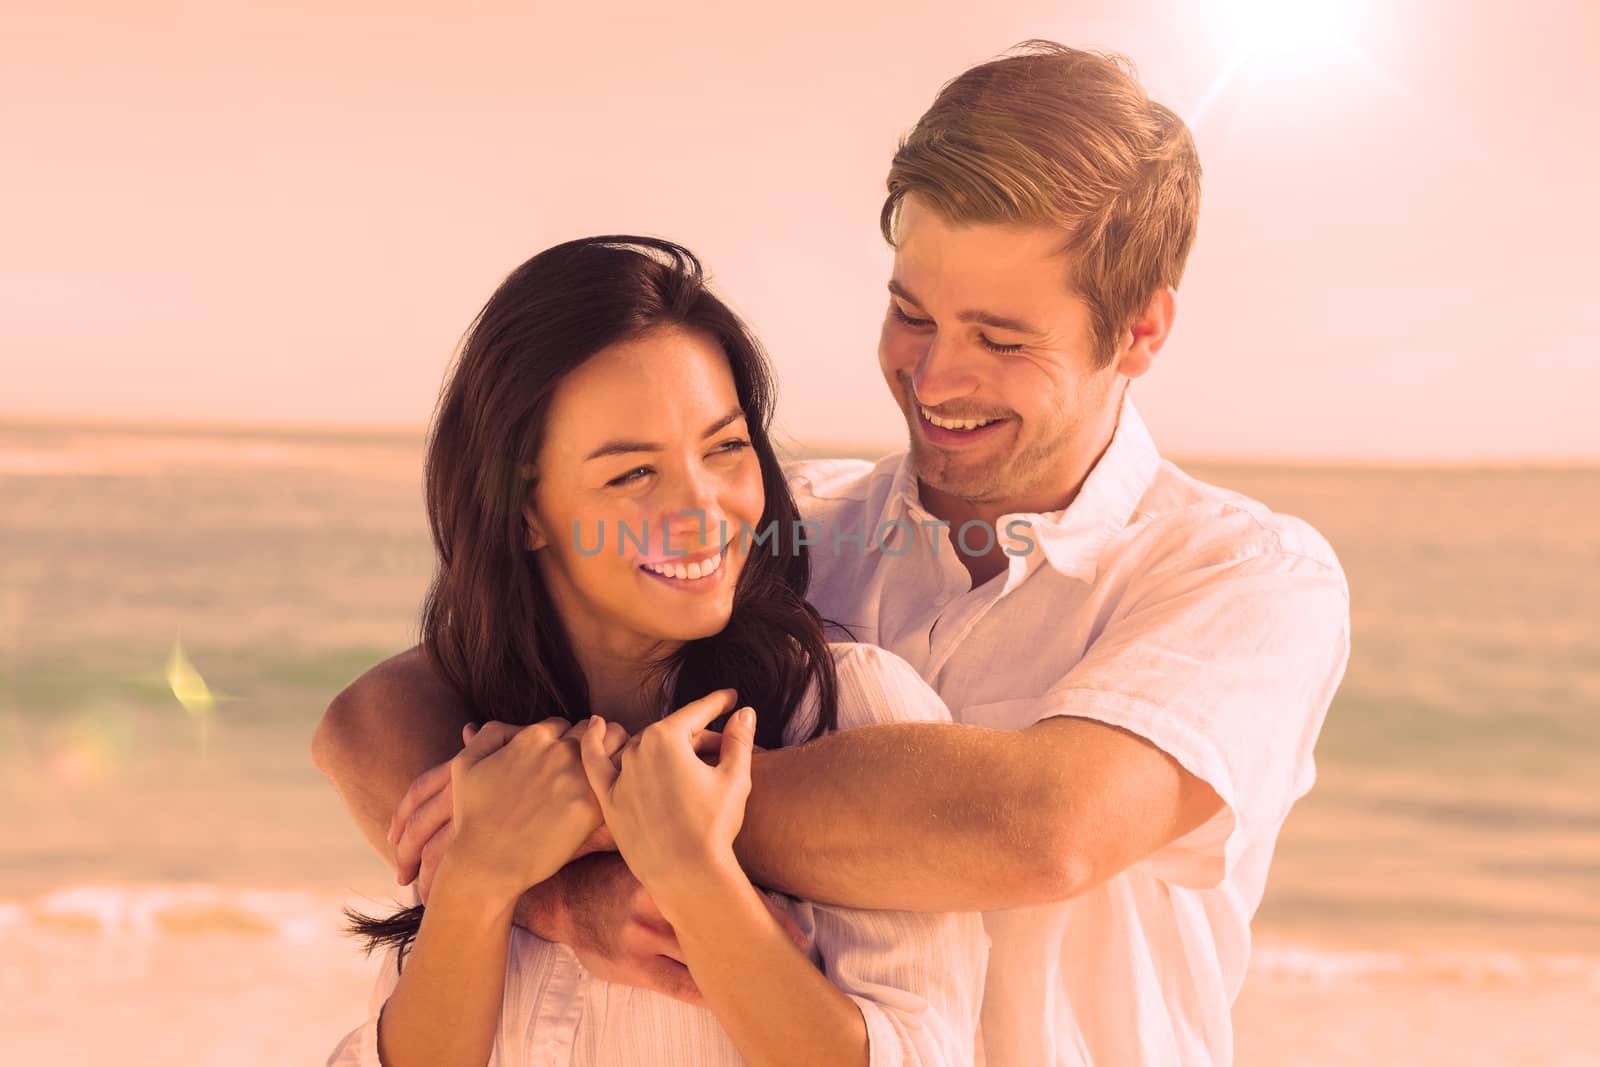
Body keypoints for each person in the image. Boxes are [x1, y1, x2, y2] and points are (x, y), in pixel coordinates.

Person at [315, 41, 1350, 1066]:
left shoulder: (1244, 579)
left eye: (999, 339)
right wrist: (540, 886)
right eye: (911, 312)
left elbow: (1040, 829)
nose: (936, 377)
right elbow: (379, 713)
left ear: (1138, 332)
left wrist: (600, 810)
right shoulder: (774, 528)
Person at [323, 236, 987, 1066]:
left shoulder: (849, 711)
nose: (703, 508)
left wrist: (695, 874)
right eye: (634, 473)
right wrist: (481, 880)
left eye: (725, 447)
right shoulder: (481, 756)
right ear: (526, 508)